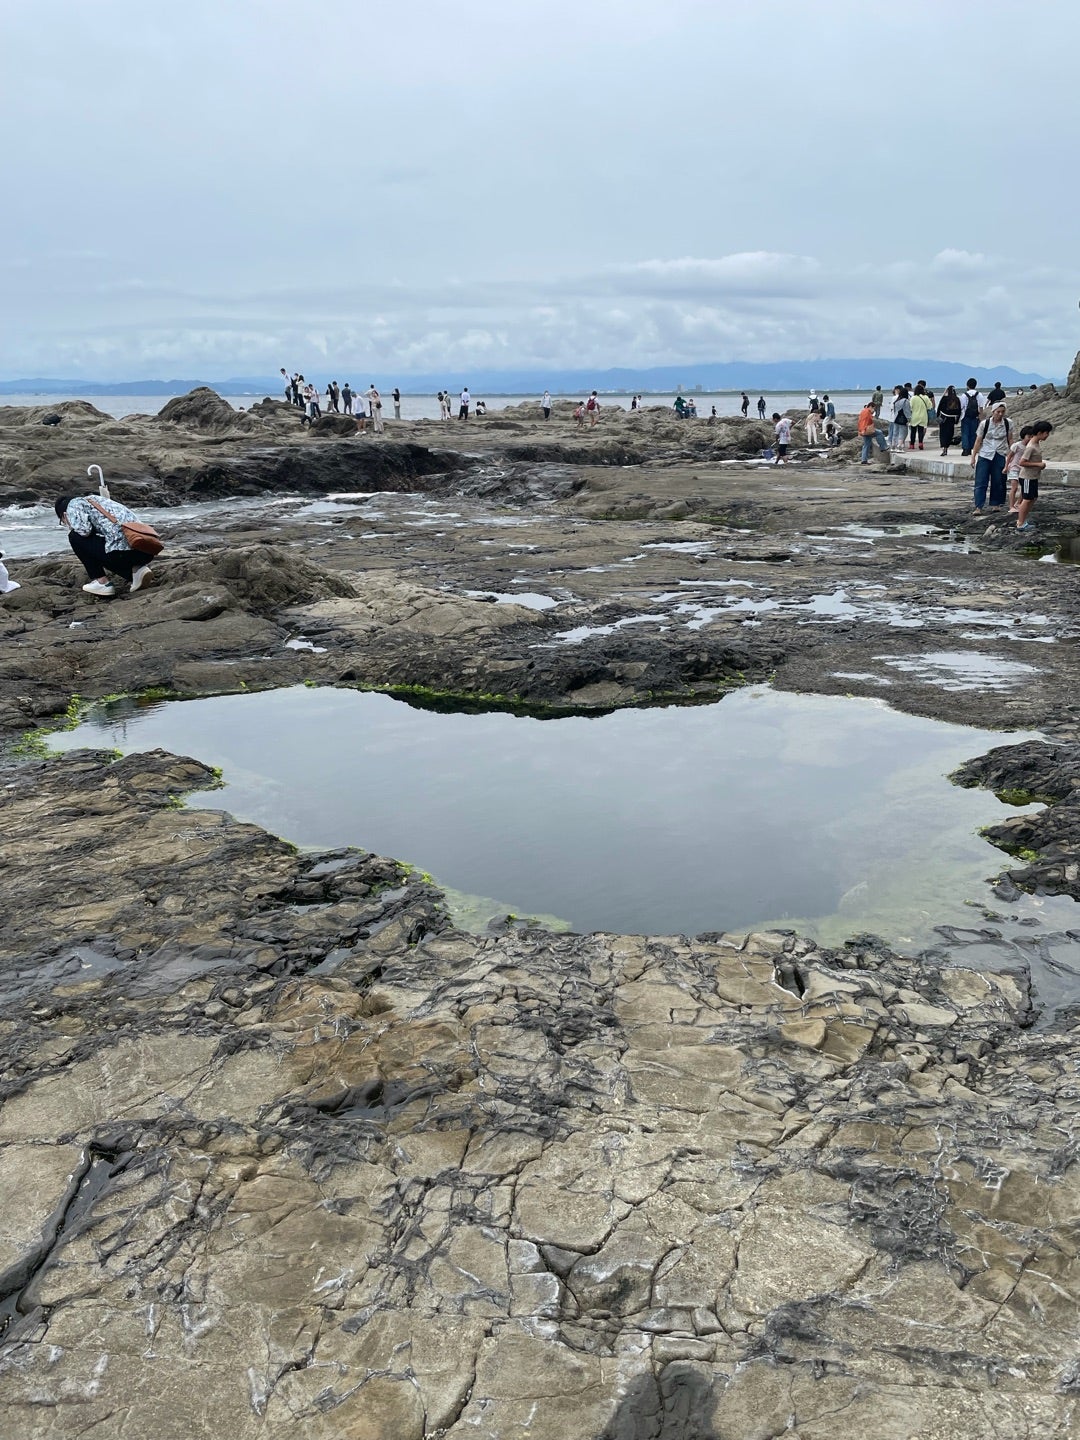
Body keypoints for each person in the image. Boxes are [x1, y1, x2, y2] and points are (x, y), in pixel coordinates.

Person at [54, 493, 156, 597]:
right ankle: (137, 571)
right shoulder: (96, 500)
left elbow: (84, 531)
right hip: (145, 547)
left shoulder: (73, 506)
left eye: (63, 521)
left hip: (123, 553)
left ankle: (101, 582)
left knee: (74, 537)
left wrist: (72, 526)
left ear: (64, 515)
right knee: (109, 545)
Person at [970, 400, 1012, 510]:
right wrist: (973, 457)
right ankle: (978, 506)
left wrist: (1012, 455)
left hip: (1000, 453)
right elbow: (978, 441)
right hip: (985, 454)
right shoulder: (985, 424)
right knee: (981, 481)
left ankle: (996, 504)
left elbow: (1010, 439)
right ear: (993, 411)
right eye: (998, 411)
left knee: (998, 481)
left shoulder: (1007, 423)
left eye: (1002, 412)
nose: (1000, 414)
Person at [1016, 422, 1052, 530]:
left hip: (1033, 477)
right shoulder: (1031, 447)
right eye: (1046, 433)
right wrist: (1038, 464)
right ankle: (1020, 523)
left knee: (1033, 498)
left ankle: (1023, 520)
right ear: (1040, 433)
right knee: (1026, 499)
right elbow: (1022, 462)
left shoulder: (1036, 444)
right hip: (1027, 477)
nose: (1047, 435)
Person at [1006, 425, 1034, 512]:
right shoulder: (1017, 445)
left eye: (1032, 437)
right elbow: (1010, 456)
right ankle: (1011, 506)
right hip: (1014, 468)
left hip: (1024, 470)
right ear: (1023, 436)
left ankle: (1018, 503)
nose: (1030, 439)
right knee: (1014, 488)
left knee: (1024, 488)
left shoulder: (1030, 447)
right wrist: (1006, 466)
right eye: (1028, 436)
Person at [960, 378, 985, 455]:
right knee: (974, 433)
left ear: (967, 385)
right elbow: (981, 408)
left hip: (965, 416)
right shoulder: (979, 395)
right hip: (975, 417)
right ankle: (973, 448)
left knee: (965, 433)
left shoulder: (964, 395)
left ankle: (965, 449)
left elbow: (961, 407)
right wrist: (981, 419)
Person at [936, 385, 962, 455]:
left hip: (944, 419)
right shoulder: (957, 399)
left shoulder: (944, 398)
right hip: (952, 419)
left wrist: (937, 417)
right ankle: (946, 447)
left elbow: (939, 408)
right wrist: (957, 420)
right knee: (950, 434)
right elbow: (959, 411)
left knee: (943, 434)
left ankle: (944, 448)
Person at [908, 384, 932, 450]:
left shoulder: (913, 398)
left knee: (913, 431)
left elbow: (910, 407)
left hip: (914, 416)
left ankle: (912, 445)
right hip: (923, 416)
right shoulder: (926, 397)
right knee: (921, 431)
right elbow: (930, 407)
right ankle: (920, 443)